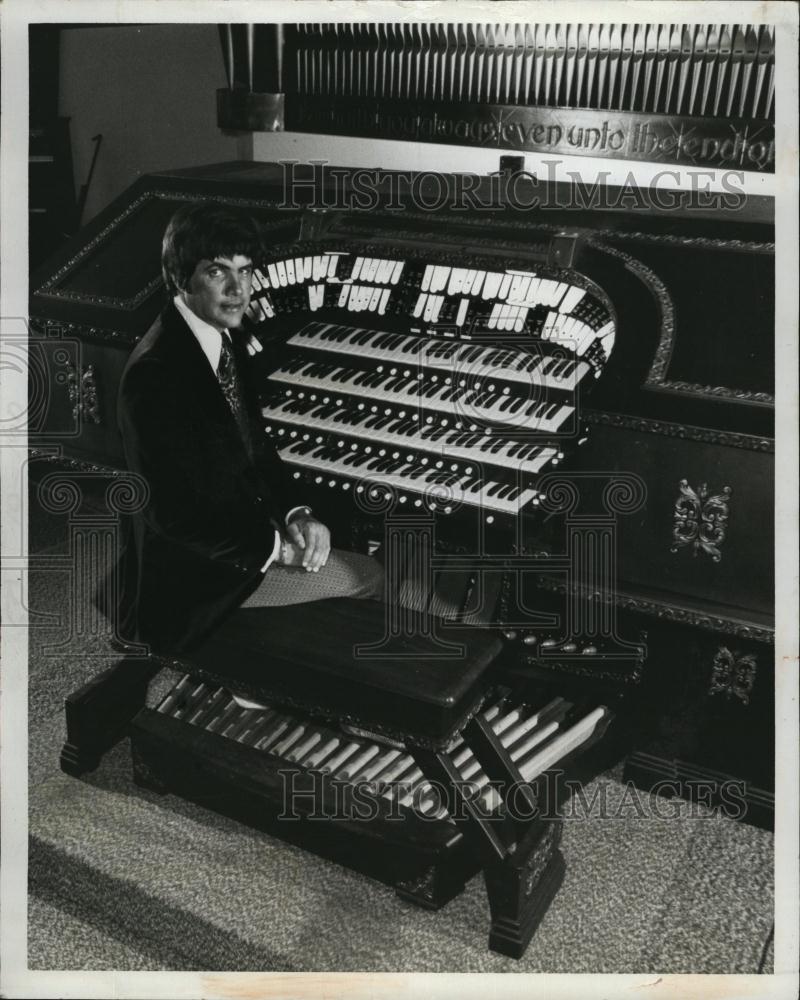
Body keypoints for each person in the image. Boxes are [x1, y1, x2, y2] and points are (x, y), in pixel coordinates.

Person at [105, 201, 383, 658]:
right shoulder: (155, 375)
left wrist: (297, 513)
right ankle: (274, 676)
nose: (238, 290)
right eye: (218, 273)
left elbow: (252, 445)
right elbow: (170, 516)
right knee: (369, 575)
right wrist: (276, 547)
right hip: (197, 573)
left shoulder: (214, 335)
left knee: (333, 544)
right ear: (181, 276)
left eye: (246, 271)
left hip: (238, 531)